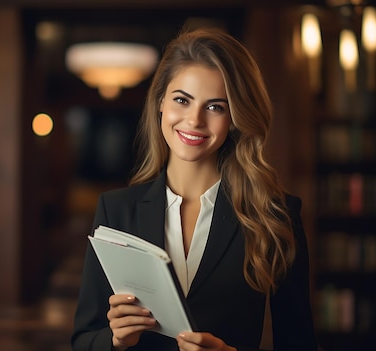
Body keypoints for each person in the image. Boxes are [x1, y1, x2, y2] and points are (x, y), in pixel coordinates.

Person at [71, 27, 318, 351]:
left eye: (215, 106)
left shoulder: (275, 216)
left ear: (234, 117)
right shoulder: (115, 210)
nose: (194, 120)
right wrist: (116, 340)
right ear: (161, 102)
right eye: (182, 100)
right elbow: (83, 341)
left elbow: (300, 344)